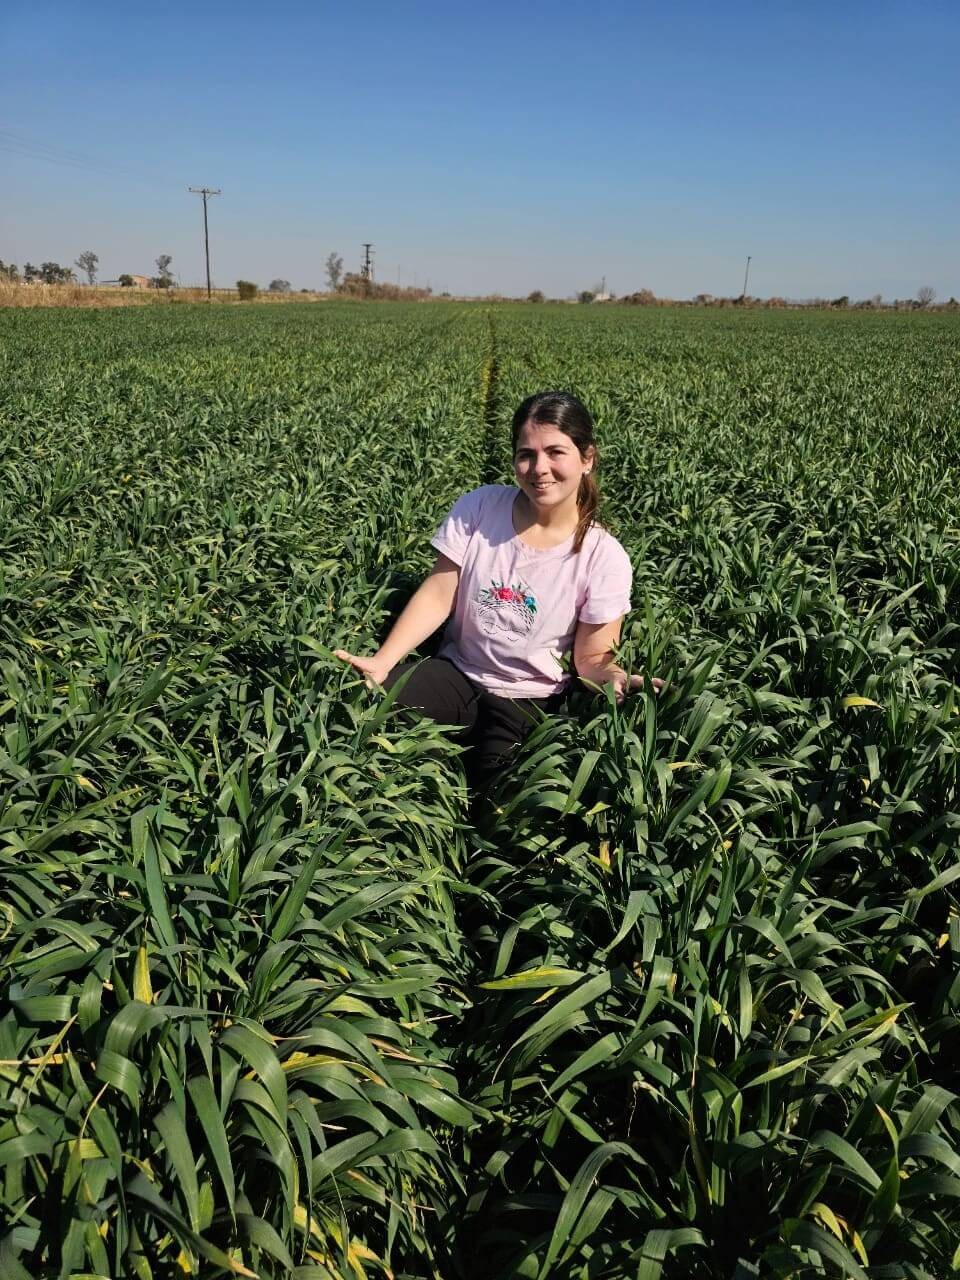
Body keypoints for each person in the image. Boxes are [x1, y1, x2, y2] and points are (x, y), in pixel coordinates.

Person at [334, 390, 661, 797]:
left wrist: (611, 675)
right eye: (526, 454)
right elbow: (438, 595)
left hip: (528, 701)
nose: (539, 468)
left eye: (555, 452)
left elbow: (591, 657)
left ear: (587, 457)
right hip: (457, 674)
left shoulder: (603, 557)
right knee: (355, 711)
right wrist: (383, 661)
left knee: (503, 810)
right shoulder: (480, 507)